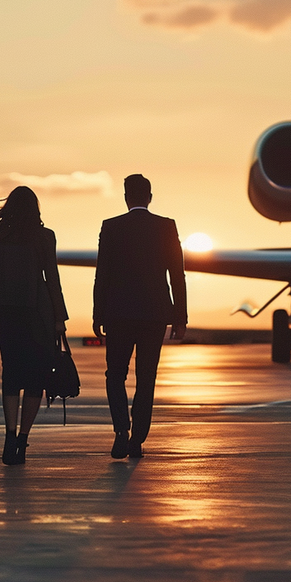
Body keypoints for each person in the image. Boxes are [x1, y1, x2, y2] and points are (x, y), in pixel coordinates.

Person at [0, 186, 68, 465]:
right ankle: (24, 439)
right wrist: (60, 318)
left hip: (9, 313)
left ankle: (9, 435)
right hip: (39, 314)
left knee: (11, 375)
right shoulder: (45, 237)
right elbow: (53, 279)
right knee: (36, 378)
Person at [93, 174, 187, 459]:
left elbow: (102, 275)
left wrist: (98, 314)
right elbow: (177, 274)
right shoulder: (166, 227)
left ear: (126, 197)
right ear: (149, 197)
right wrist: (179, 317)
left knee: (115, 375)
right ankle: (137, 439)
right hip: (154, 314)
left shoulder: (111, 227)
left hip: (118, 314)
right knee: (147, 377)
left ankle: (121, 430)